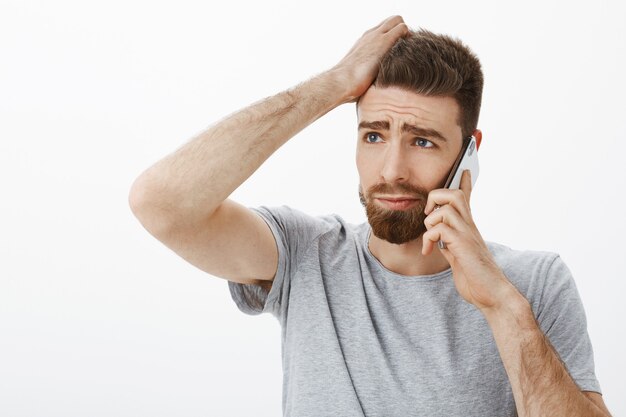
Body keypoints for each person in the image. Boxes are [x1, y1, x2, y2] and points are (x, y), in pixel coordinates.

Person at [128, 15, 612, 417]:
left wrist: (502, 308)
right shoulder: (303, 256)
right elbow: (161, 203)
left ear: (469, 153)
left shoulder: (533, 284)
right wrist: (333, 85)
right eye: (374, 135)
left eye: (422, 141)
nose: (391, 170)